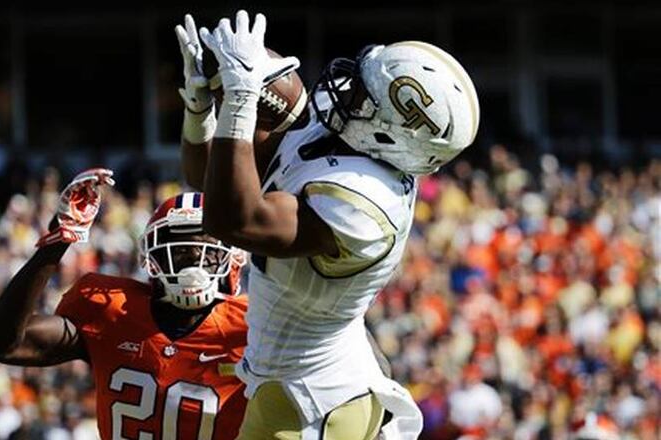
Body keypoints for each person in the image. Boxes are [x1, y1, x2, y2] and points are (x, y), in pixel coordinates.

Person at [177, 10, 480, 439]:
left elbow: (232, 219)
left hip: (315, 400)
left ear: (389, 134)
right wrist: (201, 108)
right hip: (296, 377)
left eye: (363, 92)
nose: (346, 87)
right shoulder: (349, 135)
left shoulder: (365, 202)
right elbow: (209, 179)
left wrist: (242, 98)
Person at [0, 169, 249, 440]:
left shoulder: (251, 326)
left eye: (206, 250)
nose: (193, 258)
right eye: (179, 250)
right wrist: (57, 243)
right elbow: (2, 344)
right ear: (152, 257)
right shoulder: (115, 311)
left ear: (232, 256)